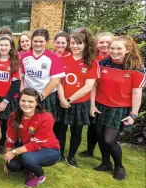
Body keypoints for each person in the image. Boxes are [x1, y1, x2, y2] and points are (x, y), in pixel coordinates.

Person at [91, 36, 145, 180]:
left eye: (118, 48)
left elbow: (136, 93)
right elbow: (95, 85)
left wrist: (133, 114)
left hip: (120, 109)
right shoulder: (102, 64)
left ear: (128, 49)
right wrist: (92, 106)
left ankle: (119, 166)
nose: (114, 51)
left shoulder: (137, 68)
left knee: (109, 139)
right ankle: (105, 163)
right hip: (101, 106)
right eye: (112, 48)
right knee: (100, 137)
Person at [55, 28, 99, 167]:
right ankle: (60, 154)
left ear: (85, 44)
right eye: (72, 43)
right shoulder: (62, 59)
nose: (75, 46)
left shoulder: (92, 62)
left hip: (80, 103)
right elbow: (58, 81)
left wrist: (69, 100)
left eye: (79, 43)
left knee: (76, 132)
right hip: (61, 100)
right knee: (60, 130)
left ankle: (71, 157)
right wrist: (62, 99)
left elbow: (88, 86)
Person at [4, 88, 61, 188]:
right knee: (12, 165)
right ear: (19, 101)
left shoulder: (46, 117)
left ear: (37, 103)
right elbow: (10, 138)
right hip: (28, 148)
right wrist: (6, 159)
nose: (26, 104)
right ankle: (29, 170)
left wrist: (14, 152)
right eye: (23, 100)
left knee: (28, 158)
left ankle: (39, 176)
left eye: (30, 101)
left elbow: (36, 144)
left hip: (49, 149)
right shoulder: (14, 116)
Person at [79, 32, 114, 158]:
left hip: (111, 100)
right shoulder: (92, 59)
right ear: (96, 44)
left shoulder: (116, 58)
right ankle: (89, 150)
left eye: (108, 42)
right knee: (93, 127)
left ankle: (106, 157)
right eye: (101, 42)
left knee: (106, 131)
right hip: (94, 97)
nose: (104, 45)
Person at [20, 29, 65, 120]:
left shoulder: (53, 57)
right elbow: (22, 76)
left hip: (45, 96)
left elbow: (55, 81)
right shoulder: (25, 57)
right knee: (27, 122)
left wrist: (42, 95)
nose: (38, 44)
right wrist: (22, 90)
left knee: (45, 124)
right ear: (32, 41)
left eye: (41, 41)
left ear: (46, 42)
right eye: (35, 41)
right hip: (28, 96)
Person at [0, 35, 21, 155]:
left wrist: (5, 101)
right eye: (1, 45)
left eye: (6, 45)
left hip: (8, 99)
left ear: (11, 47)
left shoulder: (14, 62)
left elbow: (16, 84)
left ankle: (3, 144)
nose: (3, 47)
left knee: (7, 122)